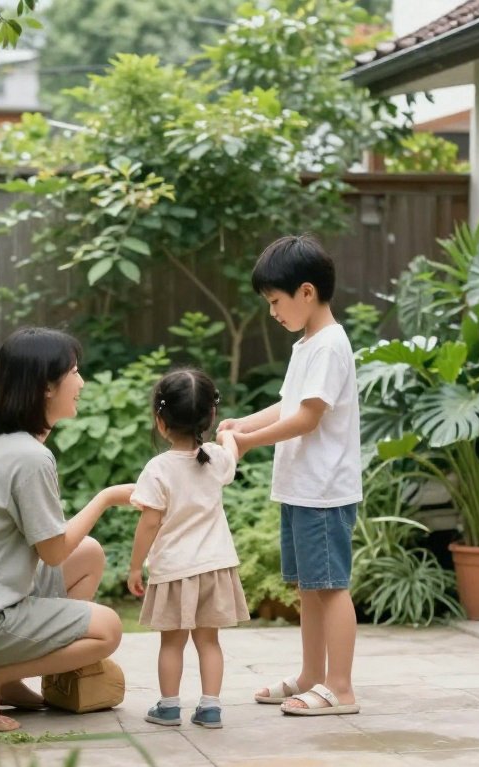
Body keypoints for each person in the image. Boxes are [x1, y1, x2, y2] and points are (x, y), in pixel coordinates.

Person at [0, 328, 133, 732]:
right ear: (46, 387)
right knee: (108, 628)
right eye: (73, 371)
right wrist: (105, 498)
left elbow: (55, 548)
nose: (81, 381)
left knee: (88, 553)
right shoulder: (29, 457)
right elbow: (53, 553)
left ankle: (8, 674)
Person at [219, 235, 363, 717]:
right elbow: (288, 405)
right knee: (308, 586)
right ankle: (310, 675)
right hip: (304, 487)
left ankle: (339, 687)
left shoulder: (329, 345)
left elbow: (308, 419)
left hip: (324, 491)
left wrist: (245, 443)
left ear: (306, 292)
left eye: (276, 302)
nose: (273, 312)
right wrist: (243, 423)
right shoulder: (307, 345)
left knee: (331, 586)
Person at [128, 369, 250, 729]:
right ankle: (210, 707)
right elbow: (231, 451)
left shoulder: (158, 468)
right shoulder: (215, 458)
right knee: (209, 642)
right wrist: (228, 435)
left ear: (160, 421)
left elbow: (149, 522)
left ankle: (168, 707)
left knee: (172, 644)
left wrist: (136, 567)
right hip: (214, 567)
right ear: (209, 416)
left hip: (174, 570)